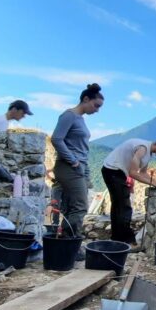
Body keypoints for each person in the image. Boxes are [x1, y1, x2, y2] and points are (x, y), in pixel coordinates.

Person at [51, 83, 104, 239]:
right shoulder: (69, 115)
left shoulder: (80, 119)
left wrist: (85, 171)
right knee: (81, 207)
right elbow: (56, 139)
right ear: (86, 99)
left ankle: (64, 242)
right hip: (68, 167)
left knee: (70, 206)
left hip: (78, 166)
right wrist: (73, 161)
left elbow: (81, 148)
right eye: (96, 105)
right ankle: (71, 239)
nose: (97, 110)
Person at [102, 137, 156, 245]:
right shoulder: (143, 148)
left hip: (116, 172)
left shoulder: (148, 153)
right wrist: (153, 183)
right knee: (124, 206)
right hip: (113, 170)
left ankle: (116, 239)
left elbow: (143, 173)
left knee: (118, 205)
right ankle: (127, 241)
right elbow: (133, 172)